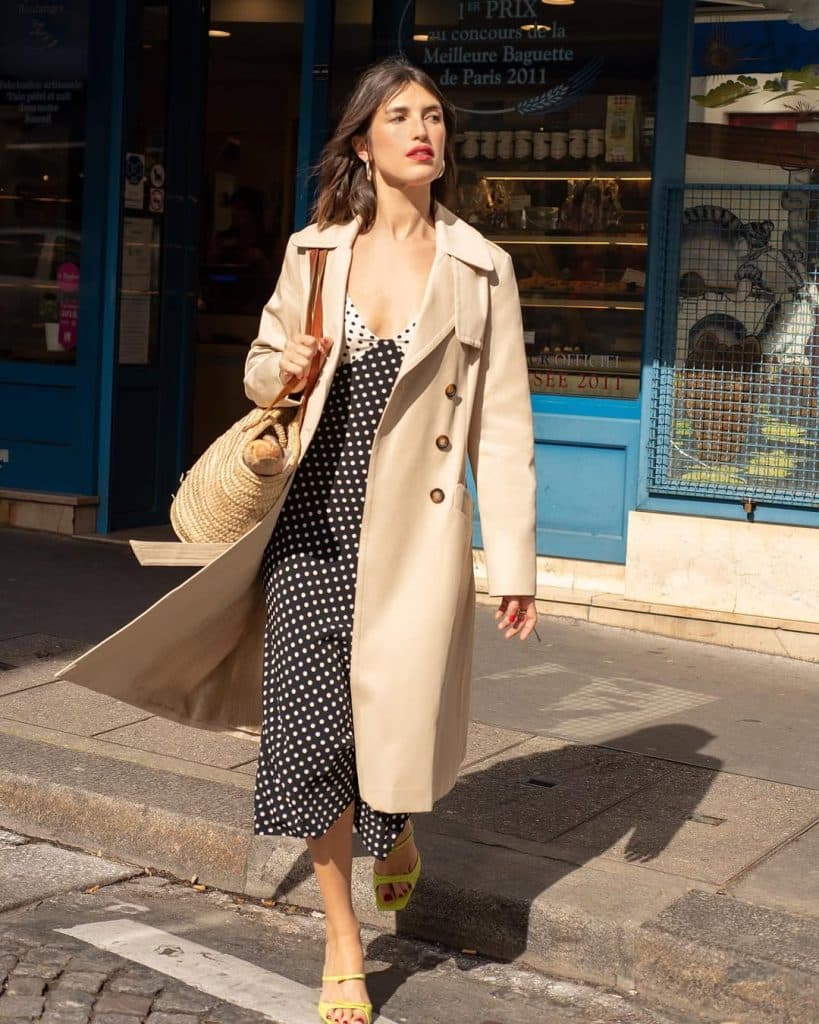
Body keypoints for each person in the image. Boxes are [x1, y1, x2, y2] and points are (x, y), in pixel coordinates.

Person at [244, 56, 537, 1024]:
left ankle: (397, 821)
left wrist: (514, 563)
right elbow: (259, 369)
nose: (424, 130)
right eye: (400, 115)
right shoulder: (315, 251)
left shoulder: (480, 266)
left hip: (418, 536)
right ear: (363, 140)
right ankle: (342, 942)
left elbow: (502, 423)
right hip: (311, 530)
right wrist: (280, 365)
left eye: (437, 116)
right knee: (311, 736)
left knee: (393, 724)